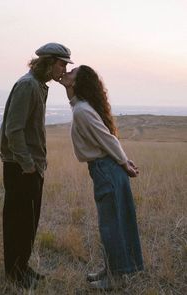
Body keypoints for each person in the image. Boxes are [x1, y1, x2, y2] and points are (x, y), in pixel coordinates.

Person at [60, 65, 144, 291]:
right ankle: (111, 269)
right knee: (111, 222)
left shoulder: (82, 111)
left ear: (78, 82)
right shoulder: (81, 107)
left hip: (106, 168)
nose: (66, 72)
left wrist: (124, 162)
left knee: (111, 225)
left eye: (71, 73)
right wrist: (68, 88)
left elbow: (107, 139)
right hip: (104, 168)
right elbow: (74, 104)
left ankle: (115, 278)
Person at [0, 42, 73, 288]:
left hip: (30, 167)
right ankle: (15, 274)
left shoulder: (38, 85)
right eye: (62, 63)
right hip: (21, 168)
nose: (64, 69)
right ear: (49, 62)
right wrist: (28, 165)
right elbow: (14, 129)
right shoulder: (28, 85)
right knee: (17, 222)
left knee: (28, 222)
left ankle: (22, 267)